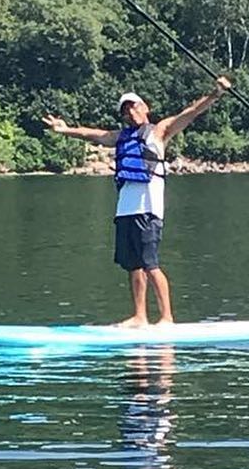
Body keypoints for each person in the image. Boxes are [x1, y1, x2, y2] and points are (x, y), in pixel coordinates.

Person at [43, 78, 231, 326]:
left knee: (150, 264)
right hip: (125, 210)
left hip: (149, 209)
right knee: (133, 266)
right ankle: (140, 316)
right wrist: (64, 129)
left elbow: (191, 113)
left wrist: (215, 94)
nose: (130, 112)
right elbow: (93, 134)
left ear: (145, 108)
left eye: (134, 106)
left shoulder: (160, 131)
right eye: (125, 110)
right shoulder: (120, 136)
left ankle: (167, 317)